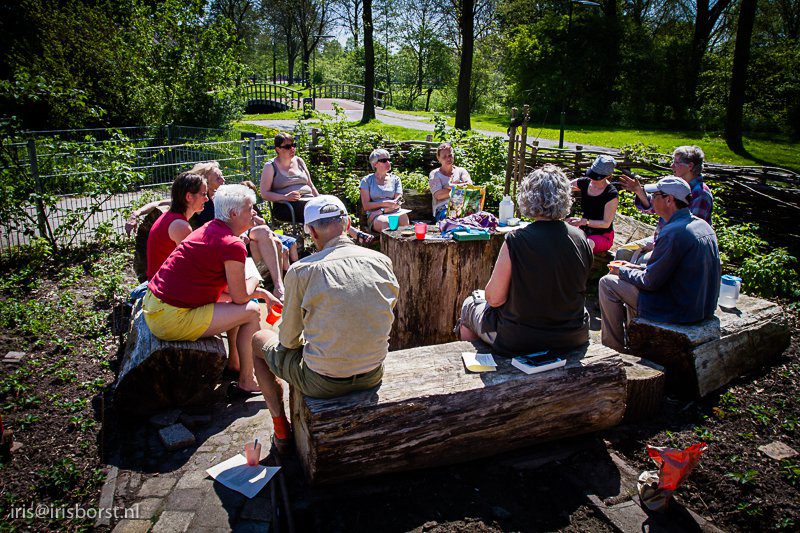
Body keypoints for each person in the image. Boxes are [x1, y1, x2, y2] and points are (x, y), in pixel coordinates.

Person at [252, 195, 399, 453]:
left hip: (323, 382)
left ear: (311, 231)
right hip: (373, 373)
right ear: (348, 223)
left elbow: (288, 340)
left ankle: (280, 429)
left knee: (259, 340)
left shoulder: (302, 270)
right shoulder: (382, 261)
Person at [143, 184, 281, 393]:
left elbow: (228, 292)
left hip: (156, 307)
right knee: (251, 312)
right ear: (234, 213)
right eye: (250, 208)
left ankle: (235, 363)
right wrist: (255, 279)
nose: (254, 212)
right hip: (169, 318)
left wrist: (260, 292)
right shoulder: (232, 244)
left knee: (237, 308)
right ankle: (246, 380)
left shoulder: (209, 229)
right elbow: (241, 296)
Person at [458, 164, 593, 356]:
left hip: (520, 338)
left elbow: (494, 299)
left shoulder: (516, 240)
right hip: (573, 335)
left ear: (528, 197)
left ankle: (482, 369)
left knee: (469, 305)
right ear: (565, 197)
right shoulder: (580, 238)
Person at [598, 177, 721, 353]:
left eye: (655, 195)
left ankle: (613, 349)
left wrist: (622, 271)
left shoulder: (673, 233)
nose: (651, 200)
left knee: (607, 283)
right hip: (701, 306)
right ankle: (635, 340)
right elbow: (669, 271)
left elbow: (650, 282)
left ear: (669, 200)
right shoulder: (701, 226)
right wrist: (632, 268)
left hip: (678, 310)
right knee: (629, 273)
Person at [260, 132, 374, 244]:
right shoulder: (270, 166)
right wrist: (285, 197)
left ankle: (345, 236)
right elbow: (264, 193)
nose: (292, 149)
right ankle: (350, 235)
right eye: (288, 146)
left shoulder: (299, 161)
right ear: (278, 149)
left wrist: (320, 199)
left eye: (293, 145)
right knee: (322, 211)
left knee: (332, 204)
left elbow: (310, 184)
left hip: (308, 201)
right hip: (286, 206)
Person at [616, 145, 713, 263]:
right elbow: (654, 207)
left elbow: (690, 234)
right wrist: (638, 191)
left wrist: (657, 245)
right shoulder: (675, 184)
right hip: (662, 238)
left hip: (678, 246)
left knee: (642, 261)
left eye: (676, 162)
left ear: (690, 166)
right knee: (622, 253)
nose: (672, 166)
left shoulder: (701, 194)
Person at [145, 172, 208, 280]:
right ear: (189, 196)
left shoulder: (171, 217)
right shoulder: (180, 226)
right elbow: (194, 266)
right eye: (203, 194)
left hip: (162, 282)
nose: (206, 199)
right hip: (163, 288)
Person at [567, 154, 619, 254]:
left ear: (608, 176)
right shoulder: (585, 183)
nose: (593, 179)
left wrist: (584, 222)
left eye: (597, 177)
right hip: (583, 230)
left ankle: (580, 269)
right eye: (592, 175)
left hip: (602, 235)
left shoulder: (611, 194)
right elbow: (564, 186)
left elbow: (605, 223)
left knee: (586, 244)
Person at [360, 149, 409, 232]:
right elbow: (366, 205)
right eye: (384, 160)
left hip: (394, 212)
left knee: (404, 221)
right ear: (375, 164)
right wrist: (384, 204)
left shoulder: (395, 179)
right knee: (386, 224)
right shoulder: (366, 181)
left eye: (389, 160)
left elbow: (398, 202)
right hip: (375, 216)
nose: (388, 163)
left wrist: (382, 210)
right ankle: (388, 245)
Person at [428, 142, 472, 221]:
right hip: (443, 209)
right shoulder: (435, 174)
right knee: (453, 217)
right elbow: (438, 195)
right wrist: (460, 186)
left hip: (464, 207)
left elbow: (470, 188)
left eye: (450, 155)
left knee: (482, 217)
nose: (448, 159)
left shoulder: (461, 171)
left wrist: (450, 186)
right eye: (444, 157)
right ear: (438, 158)